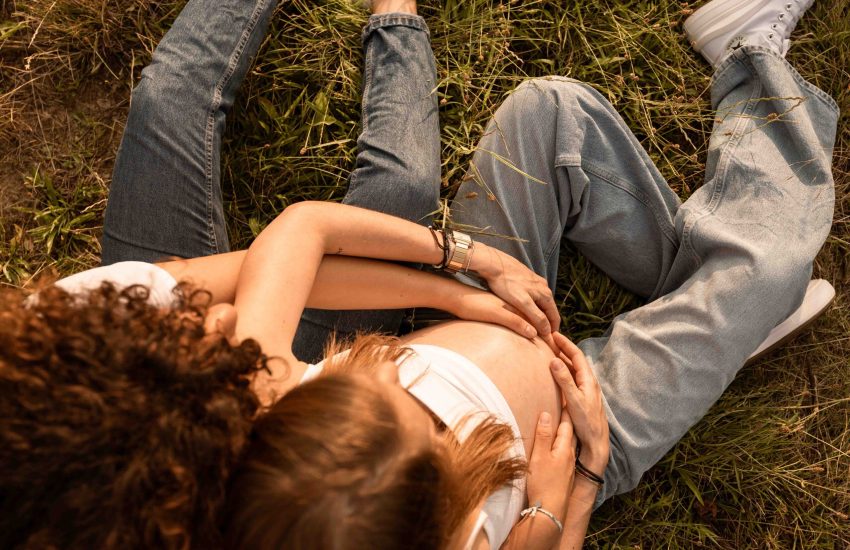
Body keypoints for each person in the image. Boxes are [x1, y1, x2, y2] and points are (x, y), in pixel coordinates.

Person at [0, 0, 836, 548]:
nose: (214, 309)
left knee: (551, 112)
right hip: (581, 422)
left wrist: (463, 277)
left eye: (349, 368)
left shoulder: (279, 426)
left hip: (468, 321)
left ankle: (712, 315)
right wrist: (569, 488)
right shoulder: (305, 495)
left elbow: (297, 239)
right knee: (762, 268)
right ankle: (748, 81)